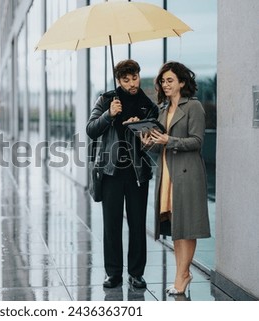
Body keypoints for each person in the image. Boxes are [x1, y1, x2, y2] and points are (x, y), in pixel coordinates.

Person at [86, 59, 159, 289]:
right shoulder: (106, 99)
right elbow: (90, 130)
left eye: (134, 78)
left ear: (139, 75)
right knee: (112, 225)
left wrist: (142, 130)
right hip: (110, 172)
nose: (131, 84)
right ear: (119, 80)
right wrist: (109, 114)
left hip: (137, 172)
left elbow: (153, 140)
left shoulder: (148, 105)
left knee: (137, 225)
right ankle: (113, 273)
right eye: (126, 80)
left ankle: (136, 274)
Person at [143, 61, 211, 295]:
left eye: (170, 80)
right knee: (176, 226)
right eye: (163, 81)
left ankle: (182, 275)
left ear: (182, 82)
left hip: (187, 175)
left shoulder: (194, 107)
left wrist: (168, 141)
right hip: (167, 174)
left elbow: (197, 141)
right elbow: (157, 146)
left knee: (187, 226)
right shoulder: (162, 110)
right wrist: (147, 143)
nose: (165, 84)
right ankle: (181, 274)